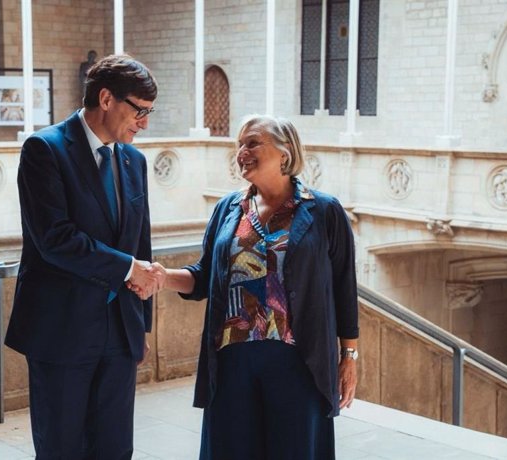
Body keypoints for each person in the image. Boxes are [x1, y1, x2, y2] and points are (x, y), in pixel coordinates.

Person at [131, 115, 359, 459]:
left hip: (299, 360)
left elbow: (344, 286)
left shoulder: (324, 210)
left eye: (252, 143)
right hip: (232, 359)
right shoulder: (229, 208)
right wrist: (163, 276)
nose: (241, 152)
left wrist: (349, 356)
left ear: (284, 153)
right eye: (239, 144)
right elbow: (204, 274)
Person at [5, 54, 160, 459]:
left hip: (120, 331)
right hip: (62, 329)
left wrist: (140, 326)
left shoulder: (135, 161)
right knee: (62, 448)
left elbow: (139, 245)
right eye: (139, 111)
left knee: (114, 449)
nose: (144, 123)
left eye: (149, 112)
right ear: (106, 99)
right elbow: (55, 239)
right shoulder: (44, 149)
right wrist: (127, 268)